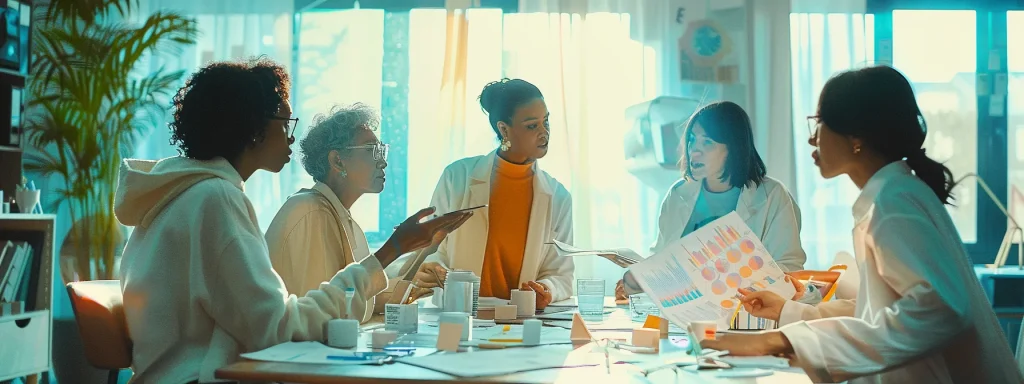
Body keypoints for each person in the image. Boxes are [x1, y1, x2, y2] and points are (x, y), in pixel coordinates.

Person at [115, 58, 458, 384]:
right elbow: (278, 329)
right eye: (284, 122)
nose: (291, 136)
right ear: (253, 128)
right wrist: (391, 251)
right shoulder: (216, 200)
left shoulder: (185, 194)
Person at [701, 65, 1022, 384]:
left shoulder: (893, 205)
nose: (813, 140)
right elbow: (879, 311)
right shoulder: (896, 193)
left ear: (855, 137)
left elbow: (939, 312)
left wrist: (779, 340)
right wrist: (788, 314)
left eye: (820, 124)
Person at [265, 103, 472, 322]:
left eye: (381, 150)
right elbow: (325, 314)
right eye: (371, 150)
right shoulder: (310, 211)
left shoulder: (341, 217)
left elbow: (362, 298)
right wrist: (397, 246)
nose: (383, 161)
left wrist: (431, 244)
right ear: (337, 161)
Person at [616, 101, 807, 300]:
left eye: (707, 142)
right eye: (691, 140)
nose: (694, 151)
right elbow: (662, 260)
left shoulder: (772, 196)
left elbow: (790, 269)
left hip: (747, 314)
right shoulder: (678, 194)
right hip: (687, 315)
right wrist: (636, 281)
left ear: (733, 147)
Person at [411, 78, 573, 310]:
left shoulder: (558, 196)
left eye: (546, 121)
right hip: (462, 316)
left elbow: (561, 275)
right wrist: (432, 270)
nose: (544, 132)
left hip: (522, 319)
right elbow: (431, 250)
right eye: (531, 125)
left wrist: (547, 289)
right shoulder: (457, 177)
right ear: (504, 129)